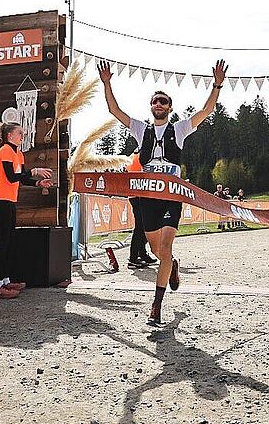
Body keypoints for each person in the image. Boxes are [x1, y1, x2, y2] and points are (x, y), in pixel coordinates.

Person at [98, 58, 228, 327]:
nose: (159, 104)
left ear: (170, 108)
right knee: (158, 250)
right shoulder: (140, 129)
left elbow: (206, 110)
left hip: (170, 195)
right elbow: (114, 110)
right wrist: (107, 83)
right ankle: (173, 266)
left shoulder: (178, 129)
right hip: (148, 197)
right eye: (155, 101)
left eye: (163, 101)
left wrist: (216, 84)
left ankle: (156, 304)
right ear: (151, 106)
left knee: (165, 247)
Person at [0, 122, 53, 299]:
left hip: (9, 201)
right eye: (19, 133)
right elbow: (11, 176)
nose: (22, 135)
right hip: (0, 200)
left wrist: (38, 182)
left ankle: (6, 280)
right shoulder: (5, 150)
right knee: (3, 242)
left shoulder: (19, 154)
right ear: (9, 136)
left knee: (9, 242)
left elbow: (21, 179)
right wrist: (35, 170)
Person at [127, 152, 158, 269]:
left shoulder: (134, 156)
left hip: (137, 194)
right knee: (141, 227)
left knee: (143, 226)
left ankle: (142, 254)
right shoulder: (143, 156)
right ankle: (133, 258)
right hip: (140, 194)